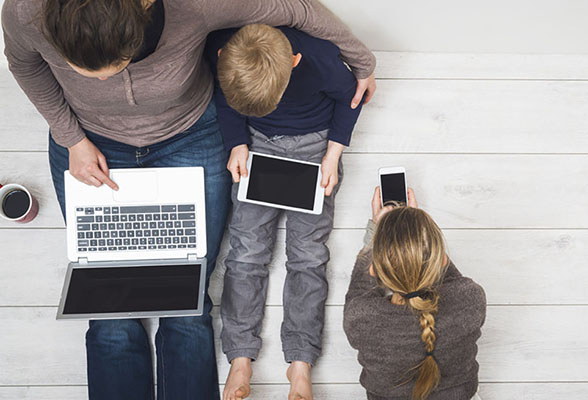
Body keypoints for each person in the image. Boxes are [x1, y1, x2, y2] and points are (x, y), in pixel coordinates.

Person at [1, 0, 376, 398]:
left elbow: (297, 9)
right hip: (89, 144)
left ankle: (273, 361)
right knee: (110, 312)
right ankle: (240, 358)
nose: (103, 82)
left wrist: (364, 64)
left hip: (190, 135)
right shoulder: (25, 11)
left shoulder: (198, 4)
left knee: (188, 299)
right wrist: (70, 137)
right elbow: (25, 63)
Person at [205, 24, 363, 400]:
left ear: (295, 62)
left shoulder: (319, 56)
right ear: (224, 58)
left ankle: (300, 363)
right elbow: (226, 102)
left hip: (315, 147)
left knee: (308, 256)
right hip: (256, 145)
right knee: (246, 252)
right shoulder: (222, 51)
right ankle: (240, 358)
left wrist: (332, 157)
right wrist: (237, 145)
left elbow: (351, 99)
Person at [343, 187, 486, 400]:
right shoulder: (471, 298)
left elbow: (358, 293)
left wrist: (376, 230)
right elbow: (450, 277)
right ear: (442, 260)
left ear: (373, 270)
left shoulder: (361, 316)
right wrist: (415, 235)